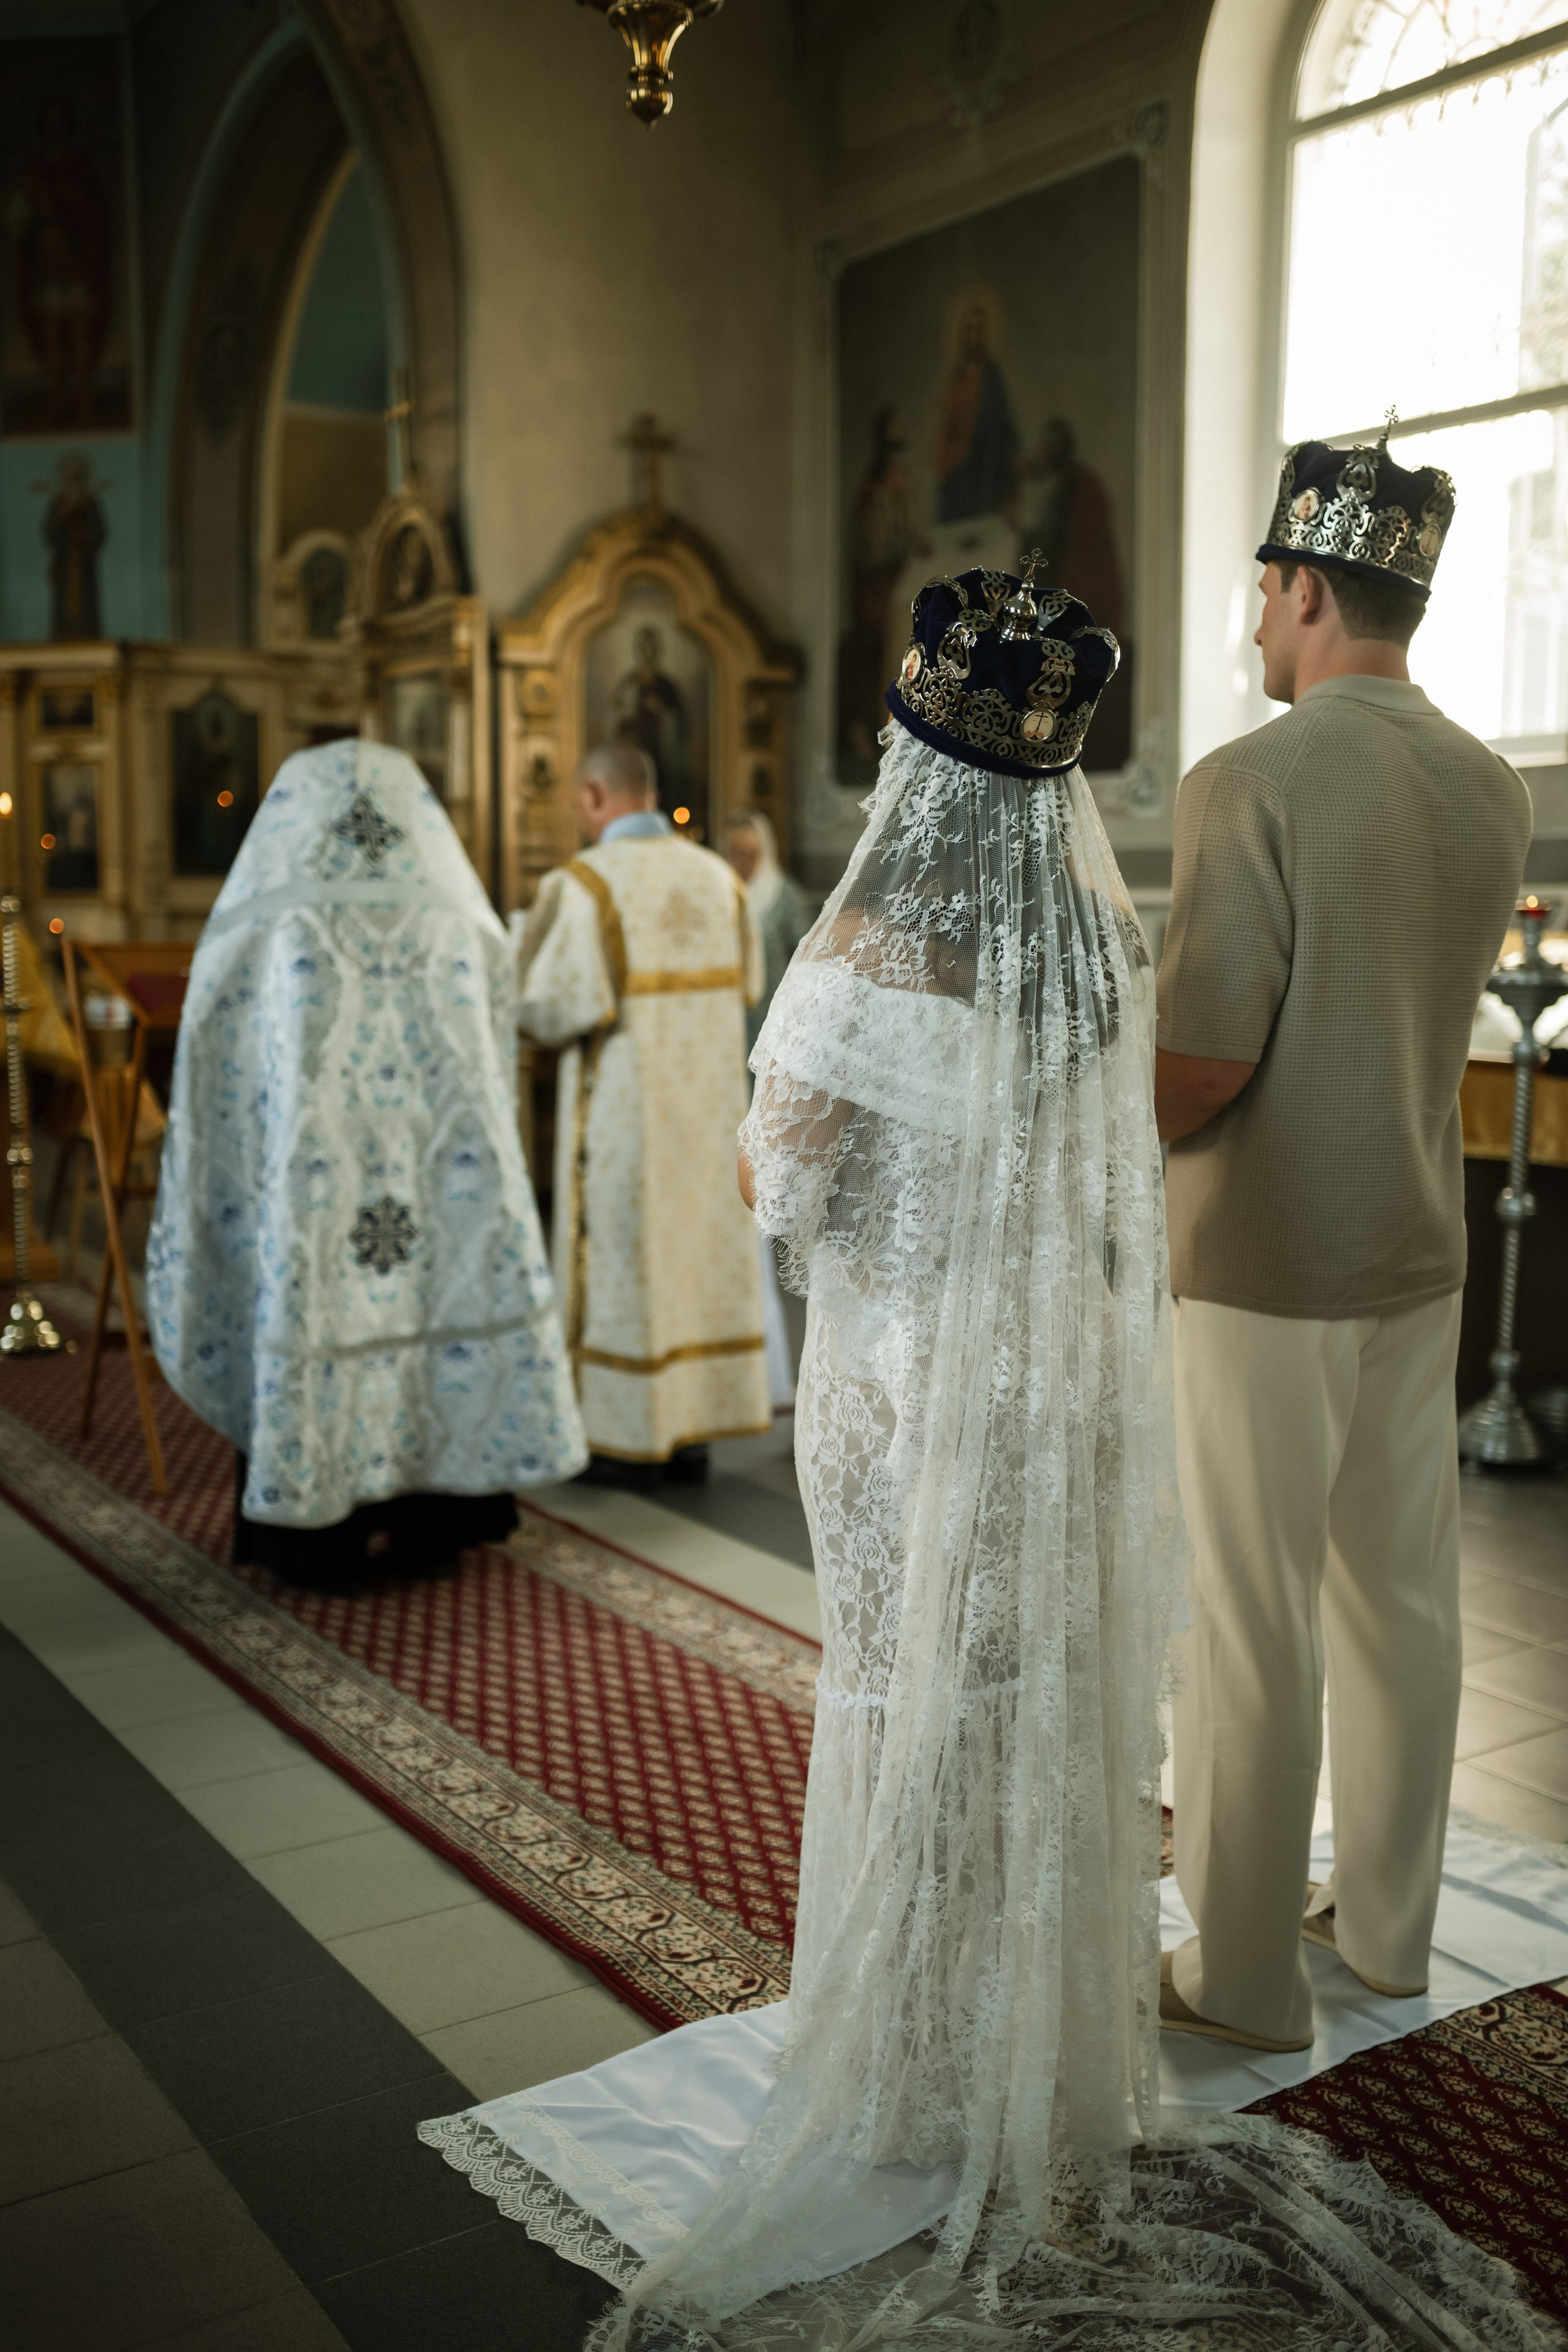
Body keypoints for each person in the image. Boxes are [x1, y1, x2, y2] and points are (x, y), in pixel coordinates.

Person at [420, 570, 1547, 2349]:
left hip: (915, 1383)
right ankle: (1037, 2039)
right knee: (1031, 1690)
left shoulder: (869, 946)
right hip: (1064, 1391)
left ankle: (915, 2063)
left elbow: (774, 1178)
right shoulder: (1092, 942)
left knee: (910, 1688)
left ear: (911, 771)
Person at [1156, 432, 1532, 2053]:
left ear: (1306, 585)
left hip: (1264, 1260)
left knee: (1253, 1620)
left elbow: (1205, 1065)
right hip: (1417, 1244)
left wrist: (1094, 1106)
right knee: (1401, 1602)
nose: (1255, 621)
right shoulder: (1492, 782)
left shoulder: (1253, 779)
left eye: (1262, 590)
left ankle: (1239, 1977)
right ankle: (1385, 1935)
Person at [146, 740, 586, 1593]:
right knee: (435, 1297)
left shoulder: (264, 914)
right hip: (441, 1183)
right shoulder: (458, 909)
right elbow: (500, 1032)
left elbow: (214, 1048)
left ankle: (321, 1538)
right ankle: (441, 1521)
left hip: (315, 1191)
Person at [516, 741, 769, 1488]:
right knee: (697, 1263)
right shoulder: (721, 879)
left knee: (626, 1264)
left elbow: (553, 1007)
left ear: (595, 796)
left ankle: (620, 1437)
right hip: (710, 1122)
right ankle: (691, 1434)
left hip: (625, 1126)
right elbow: (751, 984)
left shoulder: (585, 884)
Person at [724, 806, 812, 1409]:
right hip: (732, 1040)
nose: (742, 863)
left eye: (750, 854)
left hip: (776, 1040)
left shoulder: (784, 899)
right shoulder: (724, 896)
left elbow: (800, 973)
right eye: (735, 853)